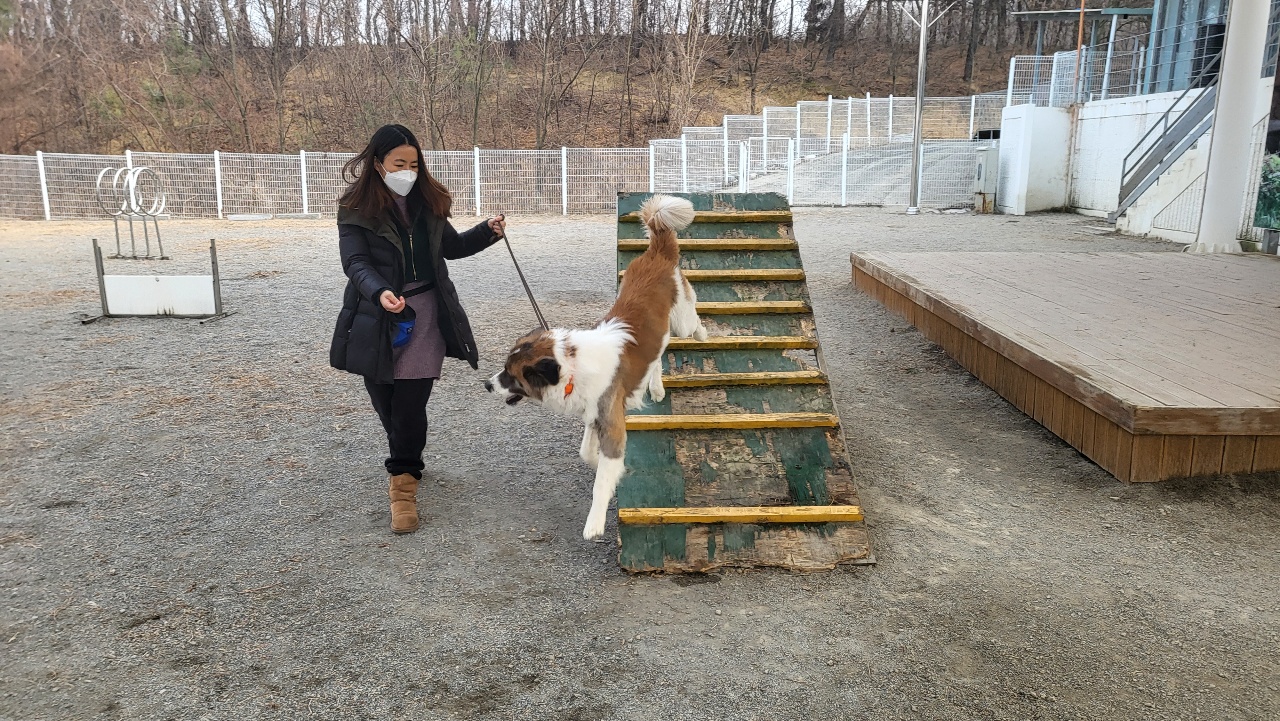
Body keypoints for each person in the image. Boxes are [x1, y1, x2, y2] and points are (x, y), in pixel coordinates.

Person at [330, 124, 505, 534]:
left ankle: (403, 485)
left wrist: (486, 232)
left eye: (413, 164)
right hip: (377, 315)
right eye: (398, 164)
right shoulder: (355, 208)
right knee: (387, 404)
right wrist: (380, 292)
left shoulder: (429, 202)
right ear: (378, 164)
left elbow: (452, 248)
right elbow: (355, 263)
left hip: (425, 313)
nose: (407, 172)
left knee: (410, 405)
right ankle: (406, 453)